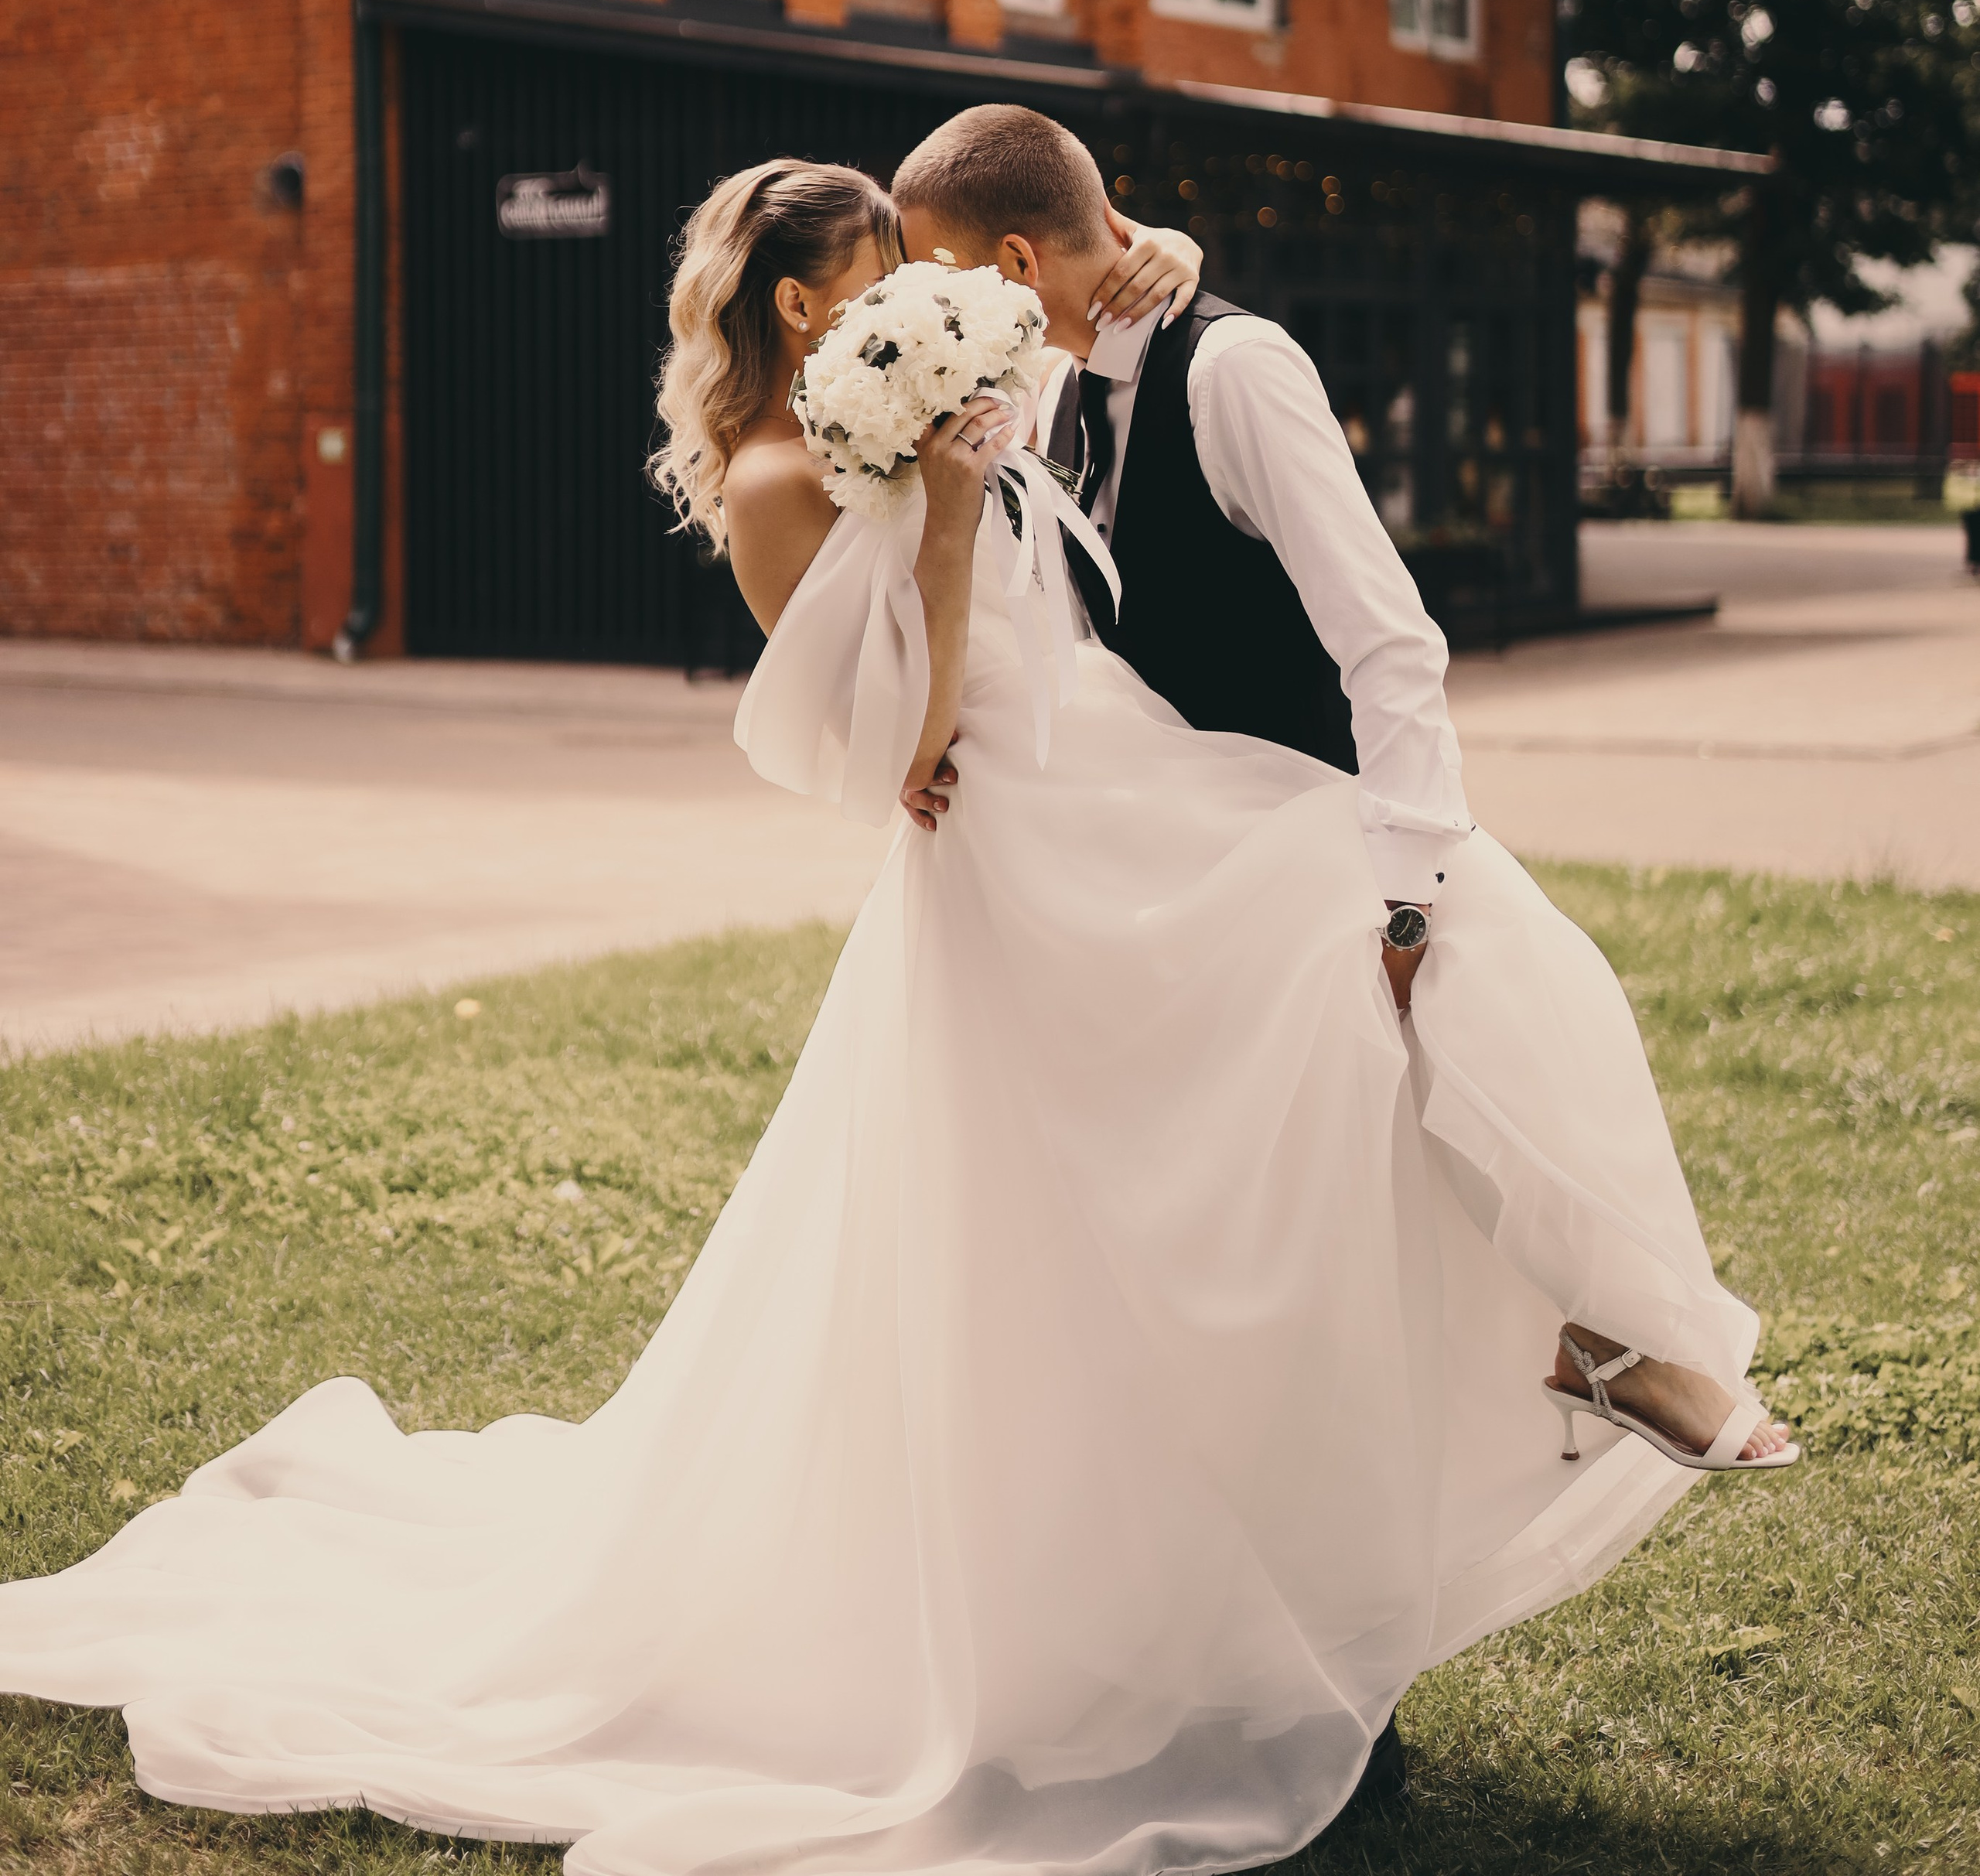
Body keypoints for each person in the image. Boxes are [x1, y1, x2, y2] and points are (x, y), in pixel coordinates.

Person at [0, 151, 1794, 1876]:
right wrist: (939, 513)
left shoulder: (959, 356)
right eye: (887, 285)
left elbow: (1045, 289)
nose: (928, 306)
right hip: (1010, 855)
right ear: (807, 305)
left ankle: (1580, 1335)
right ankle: (1288, 1535)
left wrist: (1138, 252)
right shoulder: (788, 477)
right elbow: (896, 754)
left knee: (1406, 947)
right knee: (1135, 1199)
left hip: (1129, 785)